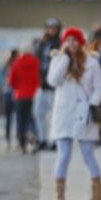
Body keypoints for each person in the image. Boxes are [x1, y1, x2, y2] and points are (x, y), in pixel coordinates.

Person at [47, 27, 101, 200]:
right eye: (68, 40)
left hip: (84, 114)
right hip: (64, 113)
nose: (71, 44)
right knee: (63, 155)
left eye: (74, 40)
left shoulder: (92, 62)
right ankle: (59, 197)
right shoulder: (58, 59)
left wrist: (92, 105)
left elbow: (99, 87)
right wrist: (65, 59)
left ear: (81, 43)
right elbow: (52, 81)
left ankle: (97, 197)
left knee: (88, 154)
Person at [33, 18, 62, 152]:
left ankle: (53, 140)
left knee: (53, 114)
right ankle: (42, 139)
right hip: (42, 83)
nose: (51, 30)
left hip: (54, 85)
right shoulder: (42, 43)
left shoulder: (60, 43)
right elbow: (36, 57)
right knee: (38, 112)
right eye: (49, 28)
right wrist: (41, 42)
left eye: (54, 28)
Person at [9, 44, 41, 153]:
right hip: (33, 94)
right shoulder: (36, 62)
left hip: (20, 95)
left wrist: (17, 88)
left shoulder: (16, 62)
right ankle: (34, 137)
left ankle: (22, 143)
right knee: (32, 118)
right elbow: (39, 78)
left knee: (20, 120)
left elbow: (11, 81)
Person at [1, 49, 20, 149]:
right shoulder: (18, 65)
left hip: (6, 94)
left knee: (8, 119)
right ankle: (17, 139)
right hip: (16, 94)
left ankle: (8, 140)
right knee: (17, 118)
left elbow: (2, 80)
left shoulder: (6, 66)